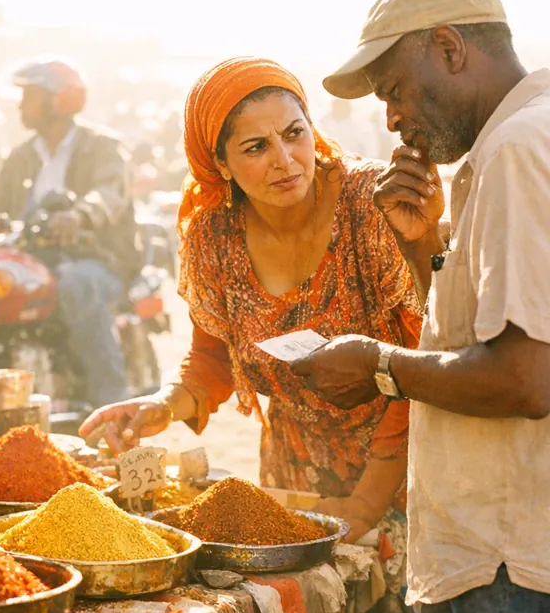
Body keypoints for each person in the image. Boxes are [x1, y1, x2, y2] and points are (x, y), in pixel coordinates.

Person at [293, 0, 550, 613]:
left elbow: (524, 379)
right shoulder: (518, 139)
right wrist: (421, 247)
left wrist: (378, 367)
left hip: (508, 574)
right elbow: (485, 335)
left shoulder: (518, 150)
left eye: (395, 91)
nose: (392, 118)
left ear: (450, 47)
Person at [81, 57, 424, 548]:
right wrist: (163, 405)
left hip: (406, 475)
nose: (285, 160)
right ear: (220, 163)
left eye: (294, 133)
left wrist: (367, 502)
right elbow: (212, 357)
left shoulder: (372, 205)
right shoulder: (214, 234)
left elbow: (422, 358)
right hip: (296, 479)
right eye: (256, 147)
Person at [0, 57, 138, 408]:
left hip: (96, 259)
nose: (20, 104)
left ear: (58, 100)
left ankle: (111, 404)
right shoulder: (23, 156)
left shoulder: (102, 147)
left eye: (29, 95)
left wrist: (79, 216)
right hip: (35, 260)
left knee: (76, 283)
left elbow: (108, 193)